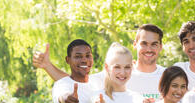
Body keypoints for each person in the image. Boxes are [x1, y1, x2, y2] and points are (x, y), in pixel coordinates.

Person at [33, 24, 166, 99]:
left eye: (154, 44)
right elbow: (77, 82)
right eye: (144, 43)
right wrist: (47, 66)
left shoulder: (167, 76)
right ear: (135, 44)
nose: (149, 49)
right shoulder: (118, 74)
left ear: (160, 46)